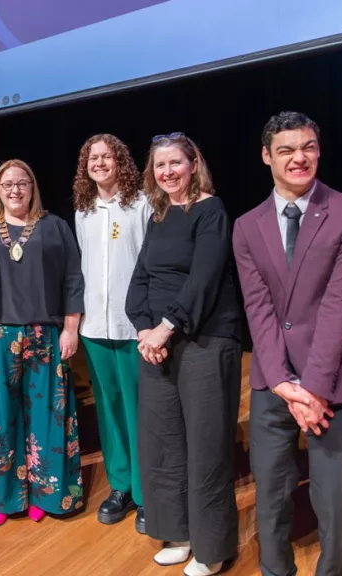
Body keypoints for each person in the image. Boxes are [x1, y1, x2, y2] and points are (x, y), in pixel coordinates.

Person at [233, 111, 342, 576]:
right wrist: (280, 380)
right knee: (272, 498)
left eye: (309, 146)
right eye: (287, 149)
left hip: (333, 382)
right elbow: (259, 309)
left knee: (336, 505)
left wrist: (313, 389)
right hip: (274, 383)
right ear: (266, 156)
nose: (300, 157)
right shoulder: (246, 226)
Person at [125, 134, 241, 575]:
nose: (167, 172)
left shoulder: (210, 210)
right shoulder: (158, 215)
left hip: (204, 340)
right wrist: (143, 330)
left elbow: (205, 278)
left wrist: (166, 328)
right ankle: (179, 533)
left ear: (194, 163)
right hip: (156, 344)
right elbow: (140, 279)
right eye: (160, 165)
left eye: (176, 162)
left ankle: (212, 548)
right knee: (164, 444)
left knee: (207, 447)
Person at [0, 159, 85, 528]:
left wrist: (71, 329)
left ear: (32, 187)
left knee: (47, 419)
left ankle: (44, 494)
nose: (15, 190)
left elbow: (73, 280)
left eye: (22, 183)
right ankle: (1, 496)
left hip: (45, 336)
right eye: (7, 184)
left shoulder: (55, 227)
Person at [73, 134, 152, 532]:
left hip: (134, 327)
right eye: (92, 157)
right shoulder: (83, 211)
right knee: (107, 408)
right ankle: (120, 485)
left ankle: (146, 492)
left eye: (106, 156)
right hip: (94, 327)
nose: (99, 163)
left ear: (120, 160)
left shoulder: (142, 204)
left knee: (139, 410)